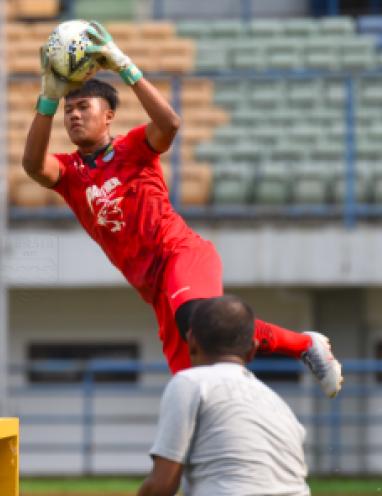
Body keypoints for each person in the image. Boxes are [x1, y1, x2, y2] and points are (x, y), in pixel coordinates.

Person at [22, 21, 342, 397]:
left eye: (83, 107)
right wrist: (47, 97)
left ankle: (305, 346)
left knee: (202, 324)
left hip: (180, 254)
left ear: (108, 116)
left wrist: (124, 64)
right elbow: (32, 166)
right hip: (154, 288)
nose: (73, 115)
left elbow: (170, 123)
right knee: (193, 389)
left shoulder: (132, 147)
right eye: (68, 110)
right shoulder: (70, 172)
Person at [137, 295, 311, 496]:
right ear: (252, 350)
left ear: (191, 341)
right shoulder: (280, 405)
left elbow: (160, 487)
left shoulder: (190, 383)